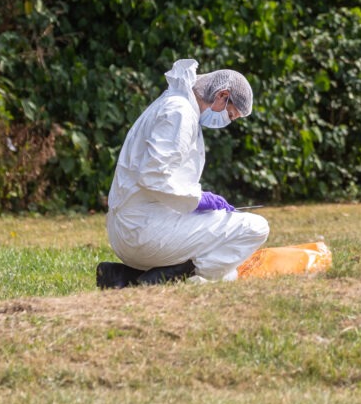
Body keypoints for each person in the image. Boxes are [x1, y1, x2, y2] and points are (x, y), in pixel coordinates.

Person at [96, 59, 270, 288]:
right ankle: (171, 276)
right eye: (230, 114)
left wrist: (196, 201)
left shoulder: (174, 105)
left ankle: (126, 277)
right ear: (221, 95)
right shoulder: (180, 113)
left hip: (136, 226)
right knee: (256, 228)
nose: (226, 121)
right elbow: (153, 177)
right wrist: (199, 199)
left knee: (228, 274)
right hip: (142, 230)